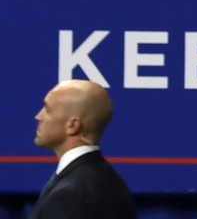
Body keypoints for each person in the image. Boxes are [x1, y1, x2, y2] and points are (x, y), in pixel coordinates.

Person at [30, 80, 137, 219]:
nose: (38, 116)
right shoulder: (112, 182)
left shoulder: (69, 196)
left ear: (72, 125)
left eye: (47, 109)